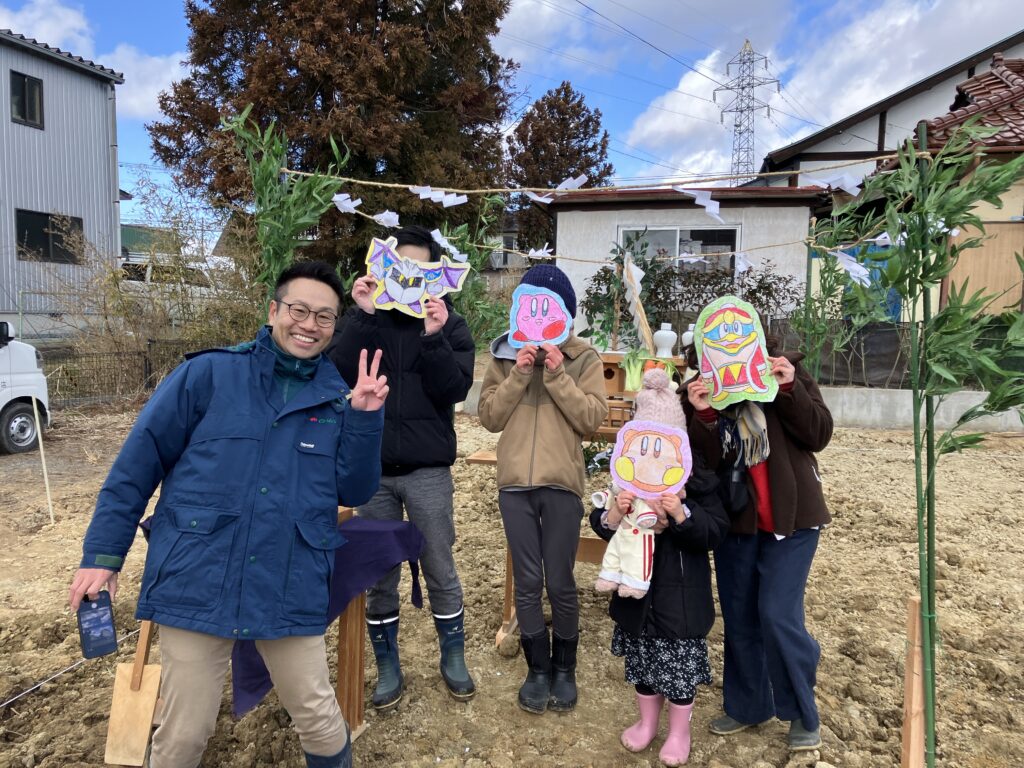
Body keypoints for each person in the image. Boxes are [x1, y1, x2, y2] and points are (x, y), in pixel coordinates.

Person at [68, 261, 388, 768]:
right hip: (198, 573)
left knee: (319, 718)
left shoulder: (335, 400)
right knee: (184, 734)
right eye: (299, 310)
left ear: (334, 326)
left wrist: (367, 419)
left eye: (324, 317)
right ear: (273, 311)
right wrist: (103, 554)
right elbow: (137, 464)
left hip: (288, 579)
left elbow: (355, 487)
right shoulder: (208, 374)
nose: (309, 325)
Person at [328, 225, 476, 708]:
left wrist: (433, 338)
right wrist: (362, 315)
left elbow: (453, 389)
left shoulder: (449, 324)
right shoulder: (371, 319)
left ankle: (452, 655)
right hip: (372, 472)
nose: (410, 277)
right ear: (385, 268)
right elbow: (338, 371)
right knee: (379, 571)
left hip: (428, 469)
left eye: (421, 269)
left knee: (439, 562)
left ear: (435, 275)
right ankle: (388, 664)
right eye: (401, 267)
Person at [682, 327, 833, 752]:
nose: (729, 346)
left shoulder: (786, 373)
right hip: (738, 524)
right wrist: (705, 416)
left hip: (794, 519)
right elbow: (699, 467)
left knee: (778, 615)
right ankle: (748, 706)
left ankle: (803, 711)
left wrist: (788, 391)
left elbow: (819, 434)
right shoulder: (701, 386)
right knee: (741, 615)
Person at [478, 263, 608, 714]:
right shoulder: (503, 355)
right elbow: (490, 417)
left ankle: (565, 668)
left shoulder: (583, 358)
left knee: (561, 579)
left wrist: (557, 375)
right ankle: (536, 668)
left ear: (564, 314)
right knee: (528, 582)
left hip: (562, 483)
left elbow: (593, 420)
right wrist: (518, 373)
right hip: (513, 484)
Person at [590, 438, 728, 766]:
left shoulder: (700, 486)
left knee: (679, 674)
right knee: (642, 666)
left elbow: (715, 531)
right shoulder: (629, 482)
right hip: (638, 599)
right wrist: (614, 511)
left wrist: (681, 514)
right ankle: (648, 722)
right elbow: (602, 525)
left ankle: (679, 732)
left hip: (681, 599)